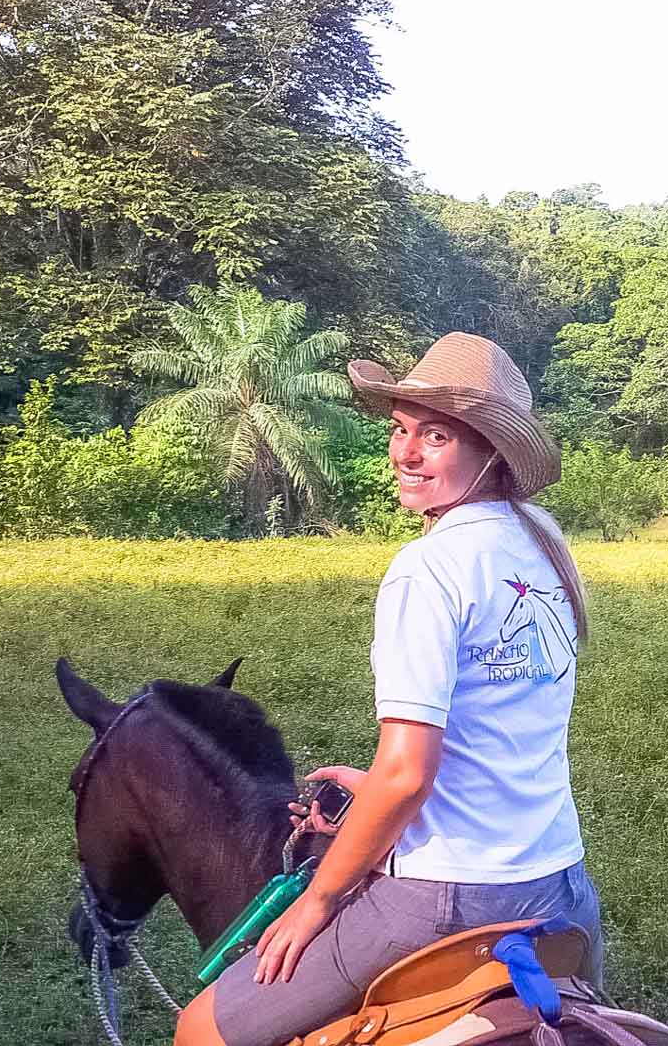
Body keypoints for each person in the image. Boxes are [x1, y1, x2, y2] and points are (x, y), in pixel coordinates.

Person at [174, 333, 605, 1046]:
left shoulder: (426, 568)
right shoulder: (541, 542)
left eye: (434, 436)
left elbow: (408, 775)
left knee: (200, 1032)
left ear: (490, 449)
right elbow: (487, 732)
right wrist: (373, 785)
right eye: (401, 430)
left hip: (448, 894)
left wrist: (317, 899)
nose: (405, 453)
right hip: (560, 884)